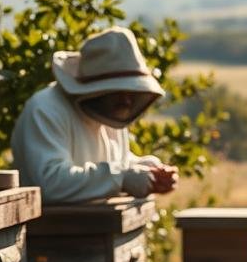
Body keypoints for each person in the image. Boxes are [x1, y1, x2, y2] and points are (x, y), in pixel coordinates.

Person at [11, 27, 179, 203]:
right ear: (95, 89)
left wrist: (145, 168)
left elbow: (112, 162)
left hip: (97, 226)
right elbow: (51, 182)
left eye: (132, 92)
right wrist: (121, 178)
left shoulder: (110, 112)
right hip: (48, 229)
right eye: (119, 91)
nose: (127, 101)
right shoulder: (45, 109)